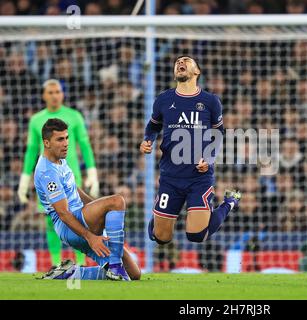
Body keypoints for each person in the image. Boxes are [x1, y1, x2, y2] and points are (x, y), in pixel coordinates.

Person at [140, 55, 241, 245]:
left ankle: (229, 202)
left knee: (197, 236)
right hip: (170, 176)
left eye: (186, 60)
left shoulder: (210, 101)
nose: (180, 62)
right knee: (160, 237)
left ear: (197, 71)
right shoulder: (163, 99)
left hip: (198, 177)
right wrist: (147, 140)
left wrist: (209, 159)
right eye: (177, 61)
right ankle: (161, 217)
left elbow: (218, 133)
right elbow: (153, 126)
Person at [35, 118, 140, 281]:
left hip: (81, 218)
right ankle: (114, 267)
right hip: (70, 226)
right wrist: (90, 237)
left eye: (67, 138)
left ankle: (71, 273)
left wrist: (97, 207)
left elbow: (73, 189)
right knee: (117, 201)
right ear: (46, 143)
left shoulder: (60, 160)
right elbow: (63, 213)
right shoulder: (47, 173)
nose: (66, 143)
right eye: (60, 139)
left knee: (134, 274)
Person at [17, 79, 99, 267]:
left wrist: (92, 171)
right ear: (44, 95)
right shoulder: (36, 120)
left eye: (58, 92)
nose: (55, 95)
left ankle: (80, 261)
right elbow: (31, 151)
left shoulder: (74, 116)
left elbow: (85, 146)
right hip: (47, 176)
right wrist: (24, 178)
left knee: (77, 217)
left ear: (62, 94)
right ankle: (56, 263)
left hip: (71, 175)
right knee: (51, 218)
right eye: (51, 92)